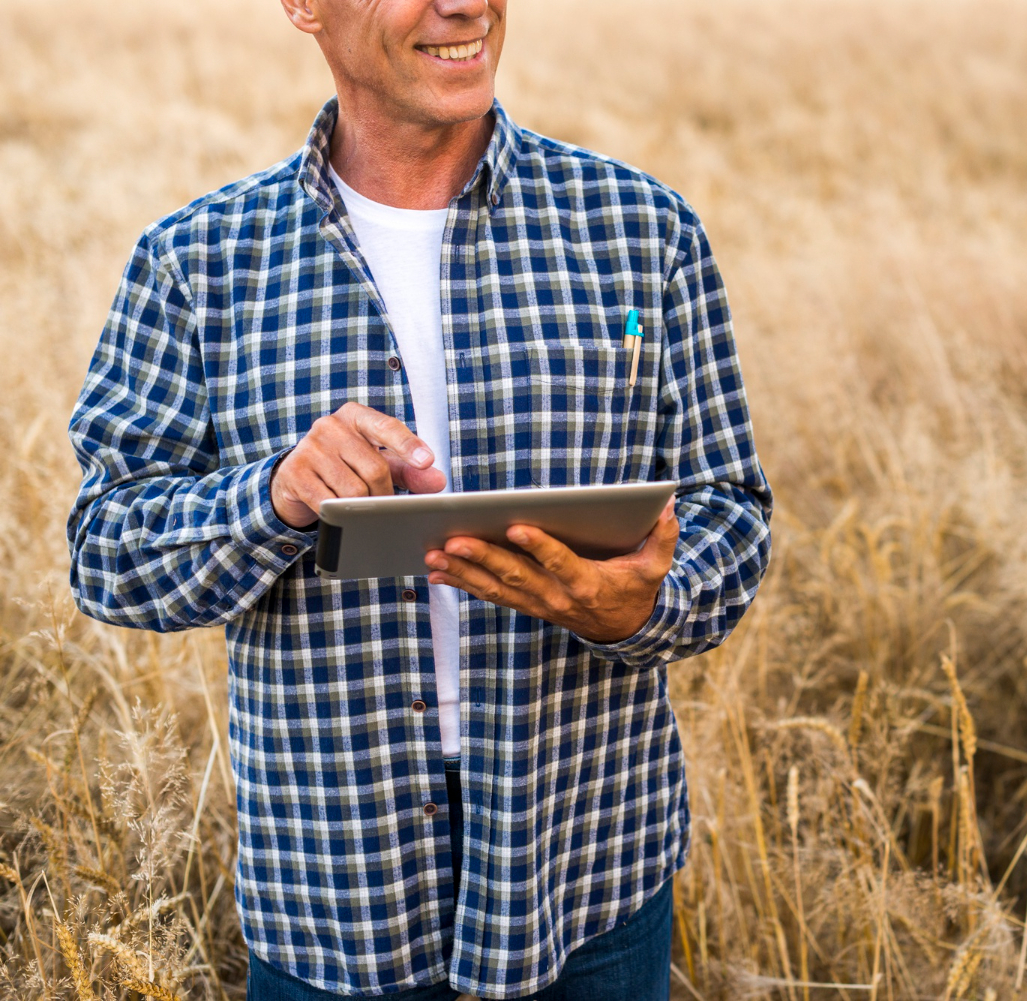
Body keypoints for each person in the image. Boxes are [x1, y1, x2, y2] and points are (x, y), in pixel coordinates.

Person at [65, 0, 772, 998]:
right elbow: (105, 551)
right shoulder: (199, 262)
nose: (462, 4)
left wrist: (646, 604)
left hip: (587, 864)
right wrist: (273, 495)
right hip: (336, 892)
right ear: (303, 6)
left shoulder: (642, 229)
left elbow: (731, 507)